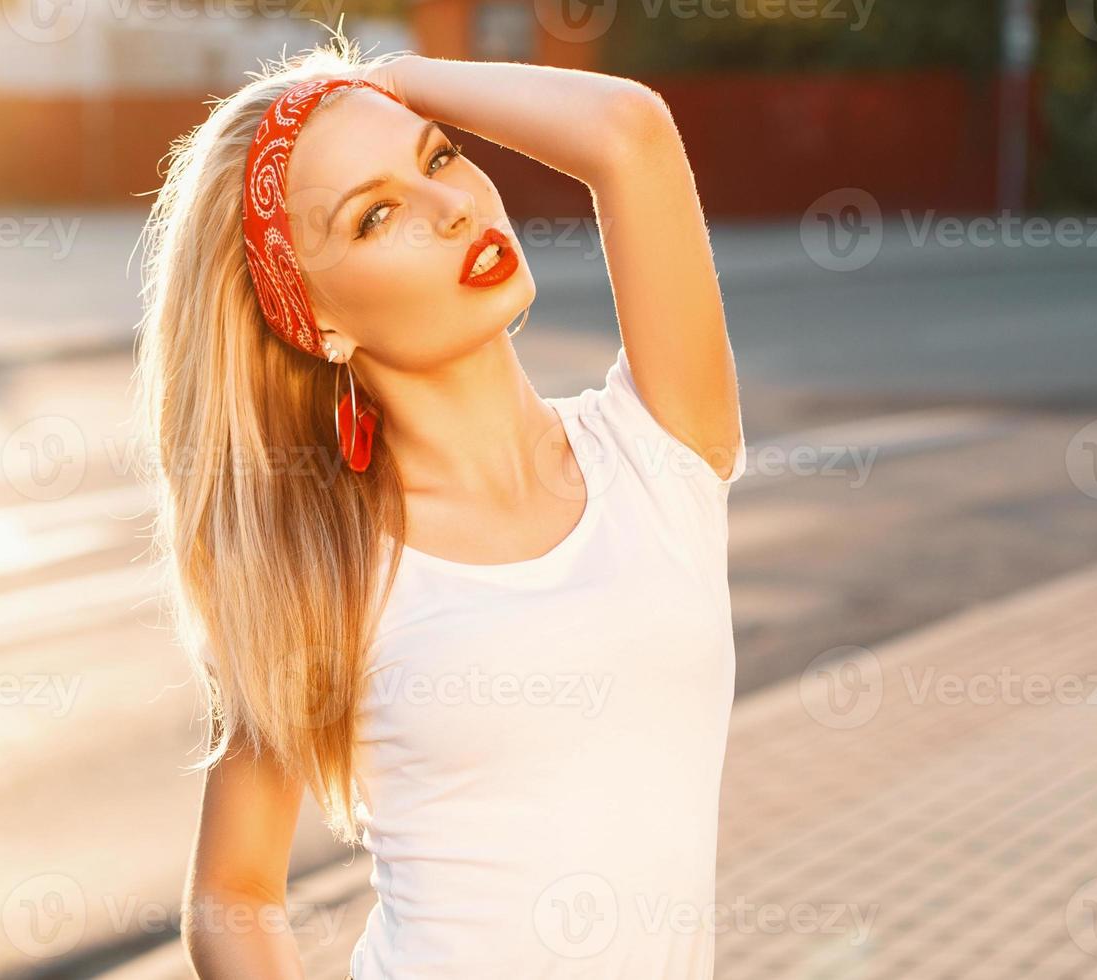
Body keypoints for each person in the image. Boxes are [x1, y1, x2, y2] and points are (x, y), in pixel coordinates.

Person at [130, 30, 746, 980]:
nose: (451, 209)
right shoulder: (319, 562)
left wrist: (383, 81)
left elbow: (631, 132)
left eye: (441, 156)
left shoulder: (659, 452)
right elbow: (233, 895)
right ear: (319, 320)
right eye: (376, 217)